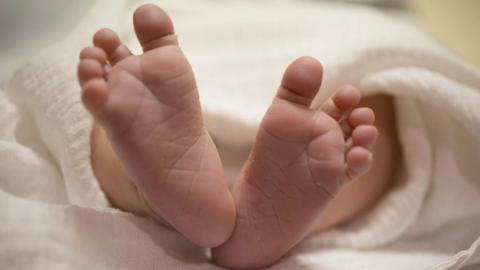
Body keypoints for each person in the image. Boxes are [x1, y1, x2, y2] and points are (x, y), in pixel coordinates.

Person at [77, 3, 399, 269]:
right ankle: (277, 227)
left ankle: (148, 196)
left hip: (201, 33)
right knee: (371, 115)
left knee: (101, 113)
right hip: (324, 54)